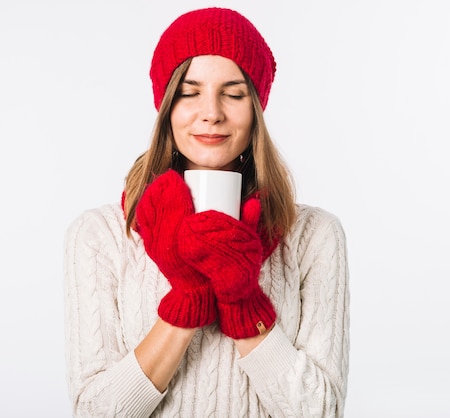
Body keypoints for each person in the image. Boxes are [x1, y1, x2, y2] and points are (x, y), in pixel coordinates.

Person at [64, 7, 350, 417]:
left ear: (256, 110)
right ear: (167, 107)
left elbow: (322, 411)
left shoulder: (314, 235)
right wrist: (189, 294)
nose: (211, 112)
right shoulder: (100, 235)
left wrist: (244, 299)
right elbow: (95, 412)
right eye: (189, 92)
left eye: (233, 94)